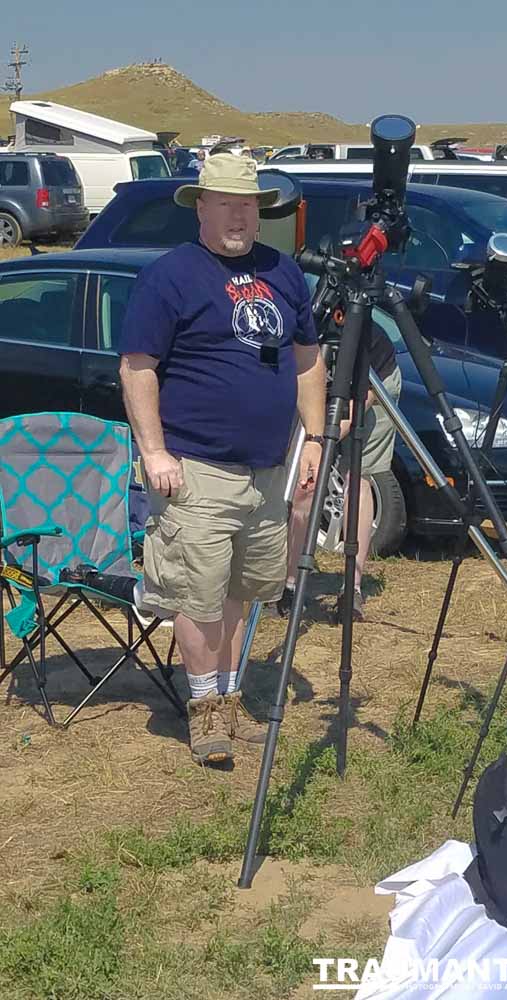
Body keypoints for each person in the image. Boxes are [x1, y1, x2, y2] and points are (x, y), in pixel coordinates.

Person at [119, 154, 326, 766]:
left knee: (240, 591)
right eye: (226, 203)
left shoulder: (282, 273)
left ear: (258, 212)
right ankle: (204, 707)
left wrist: (313, 438)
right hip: (195, 467)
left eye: (248, 205)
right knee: (196, 595)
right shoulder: (172, 276)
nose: (238, 215)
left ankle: (230, 698)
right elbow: (137, 368)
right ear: (201, 207)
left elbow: (308, 358)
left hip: (265, 471)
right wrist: (154, 451)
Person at [278, 314, 401, 623]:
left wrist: (320, 441)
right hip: (314, 384)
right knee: (304, 482)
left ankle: (353, 588)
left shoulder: (366, 338)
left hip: (373, 385)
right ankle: (290, 585)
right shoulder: (303, 324)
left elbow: (349, 416)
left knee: (356, 476)